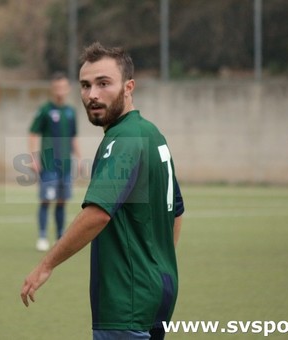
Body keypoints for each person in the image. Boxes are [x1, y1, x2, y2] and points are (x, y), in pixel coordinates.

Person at [21, 42, 184, 340]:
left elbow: (97, 214)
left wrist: (46, 265)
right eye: (85, 85)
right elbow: (176, 212)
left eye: (103, 83)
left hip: (125, 299)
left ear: (129, 86)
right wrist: (157, 261)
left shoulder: (123, 140)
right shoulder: (152, 134)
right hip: (160, 289)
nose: (92, 94)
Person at [28, 72, 81, 251]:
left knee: (61, 201)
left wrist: (79, 158)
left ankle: (60, 237)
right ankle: (42, 236)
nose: (60, 91)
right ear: (53, 89)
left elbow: (73, 137)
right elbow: (33, 133)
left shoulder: (71, 112)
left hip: (65, 165)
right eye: (57, 87)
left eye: (63, 87)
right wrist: (33, 158)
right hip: (49, 163)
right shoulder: (45, 110)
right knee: (46, 200)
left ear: (68, 89)